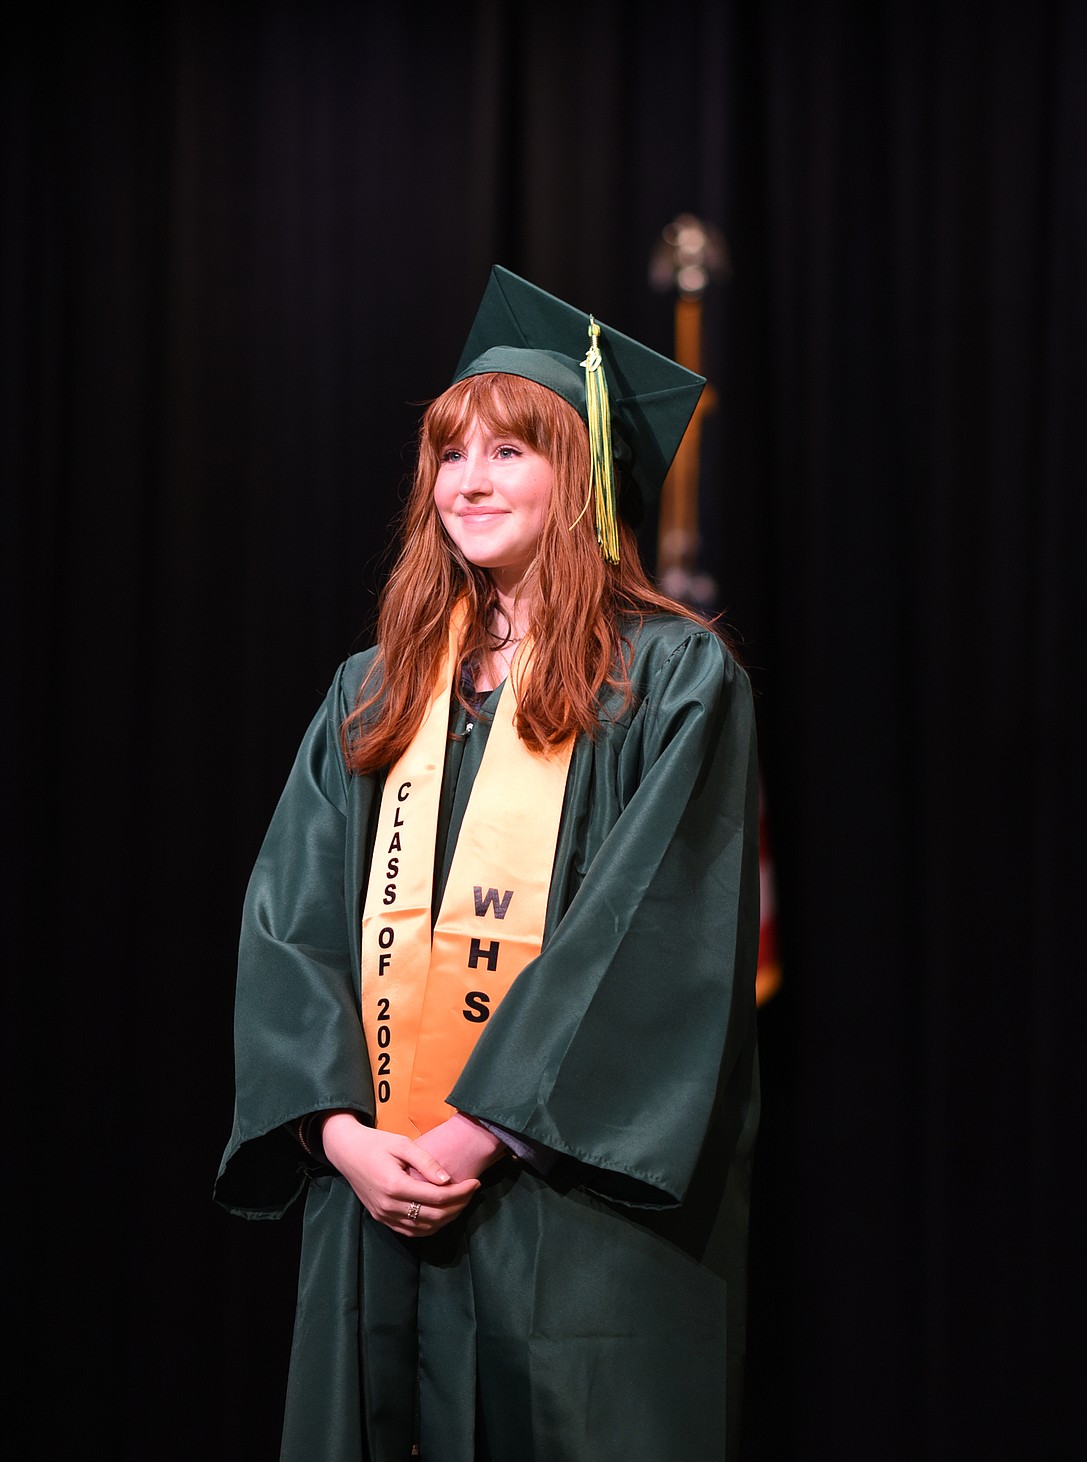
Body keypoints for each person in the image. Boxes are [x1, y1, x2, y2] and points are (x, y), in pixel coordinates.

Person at [214, 265, 761, 1462]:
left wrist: (476, 1132)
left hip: (561, 1216)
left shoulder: (670, 680)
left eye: (512, 451)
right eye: (450, 454)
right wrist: (346, 1138)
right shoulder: (375, 690)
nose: (471, 479)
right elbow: (289, 927)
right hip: (375, 1192)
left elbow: (648, 935)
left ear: (583, 478)